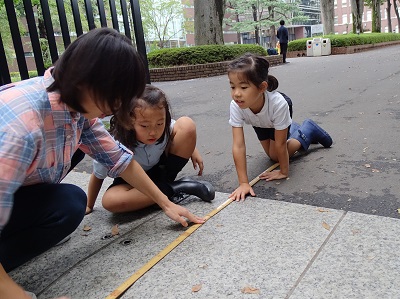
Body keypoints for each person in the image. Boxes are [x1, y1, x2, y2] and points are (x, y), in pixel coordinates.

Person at [0, 28, 204, 299]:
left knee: (69, 203)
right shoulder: (22, 131)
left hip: (14, 192)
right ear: (87, 80)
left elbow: (119, 159)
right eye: (117, 96)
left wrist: (166, 203)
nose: (119, 108)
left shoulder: (72, 106)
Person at [86, 84, 215, 214]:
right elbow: (98, 175)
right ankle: (178, 187)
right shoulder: (112, 144)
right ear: (129, 121)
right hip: (132, 182)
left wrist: (193, 150)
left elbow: (182, 130)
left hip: (162, 171)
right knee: (111, 201)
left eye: (159, 123)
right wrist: (89, 205)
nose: (153, 132)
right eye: (145, 126)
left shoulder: (164, 127)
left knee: (187, 124)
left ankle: (164, 186)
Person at [227, 53, 333, 201]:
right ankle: (291, 127)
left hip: (274, 115)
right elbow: (238, 145)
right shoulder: (236, 105)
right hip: (260, 122)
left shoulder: (278, 104)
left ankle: (308, 130)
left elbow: (282, 144)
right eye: (232, 87)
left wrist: (284, 171)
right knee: (272, 156)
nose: (236, 94)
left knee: (277, 154)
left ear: (262, 87)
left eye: (243, 87)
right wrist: (243, 183)